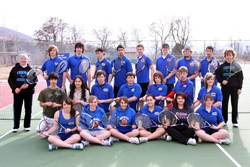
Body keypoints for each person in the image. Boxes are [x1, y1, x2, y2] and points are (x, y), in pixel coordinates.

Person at [8, 54, 37, 132]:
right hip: (18, 93)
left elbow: (34, 81)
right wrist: (15, 88)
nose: (23, 60)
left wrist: (28, 86)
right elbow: (10, 80)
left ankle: (27, 125)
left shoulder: (31, 70)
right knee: (17, 109)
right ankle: (16, 126)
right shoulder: (14, 69)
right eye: (21, 58)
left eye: (25, 59)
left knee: (28, 109)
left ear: (27, 60)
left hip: (28, 93)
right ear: (19, 60)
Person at [215, 48, 243, 127]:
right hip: (225, 88)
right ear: (225, 56)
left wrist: (239, 88)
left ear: (233, 56)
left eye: (230, 55)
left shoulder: (237, 66)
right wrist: (222, 81)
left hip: (235, 88)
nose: (228, 57)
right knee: (224, 104)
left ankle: (235, 121)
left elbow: (240, 78)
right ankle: (224, 120)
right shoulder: (222, 66)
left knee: (234, 104)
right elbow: (218, 75)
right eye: (227, 55)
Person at [135, 44, 155, 109]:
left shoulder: (146, 58)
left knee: (144, 99)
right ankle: (140, 112)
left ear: (143, 49)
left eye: (140, 49)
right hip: (138, 82)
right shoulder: (137, 58)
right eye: (138, 49)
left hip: (145, 82)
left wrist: (151, 80)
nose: (139, 50)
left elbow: (152, 69)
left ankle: (144, 112)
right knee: (139, 98)